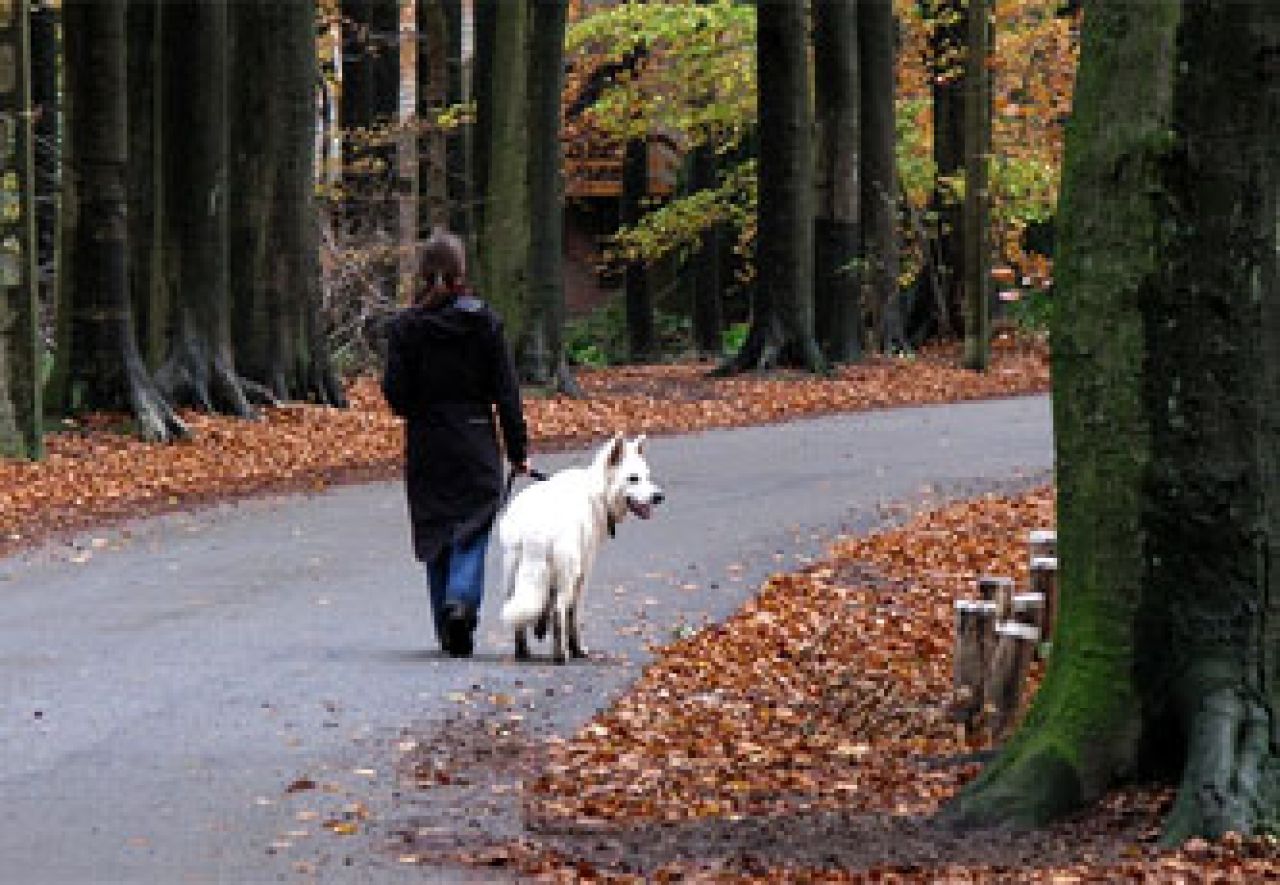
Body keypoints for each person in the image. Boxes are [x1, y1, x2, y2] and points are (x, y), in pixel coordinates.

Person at [381, 228, 529, 657]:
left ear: (423, 272)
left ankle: (446, 627)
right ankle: (461, 600)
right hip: (476, 435)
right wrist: (518, 451)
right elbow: (507, 392)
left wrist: (416, 408)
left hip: (427, 438)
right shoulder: (485, 321)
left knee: (435, 529)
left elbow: (395, 391)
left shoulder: (406, 326)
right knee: (473, 523)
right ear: (462, 271)